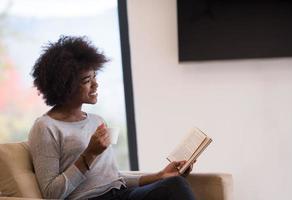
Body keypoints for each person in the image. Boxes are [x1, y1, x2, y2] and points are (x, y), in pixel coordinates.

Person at [28, 35, 196, 200]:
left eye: (95, 76)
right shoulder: (45, 127)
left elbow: (111, 178)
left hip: (120, 193)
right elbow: (51, 194)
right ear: (65, 85)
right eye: (87, 80)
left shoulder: (96, 121)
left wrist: (160, 175)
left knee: (175, 183)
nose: (95, 84)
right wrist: (89, 155)